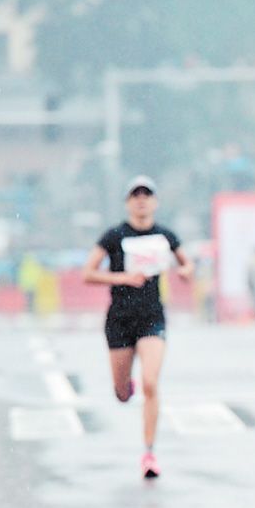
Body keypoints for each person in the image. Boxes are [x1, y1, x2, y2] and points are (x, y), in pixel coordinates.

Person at [82, 175, 194, 479]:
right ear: (128, 202)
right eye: (136, 195)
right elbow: (88, 273)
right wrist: (122, 278)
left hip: (151, 317)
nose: (142, 199)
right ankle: (123, 385)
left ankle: (149, 452)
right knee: (121, 393)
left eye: (147, 194)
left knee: (150, 383)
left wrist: (184, 270)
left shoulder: (164, 236)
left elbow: (187, 263)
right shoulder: (114, 236)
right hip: (119, 319)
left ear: (155, 201)